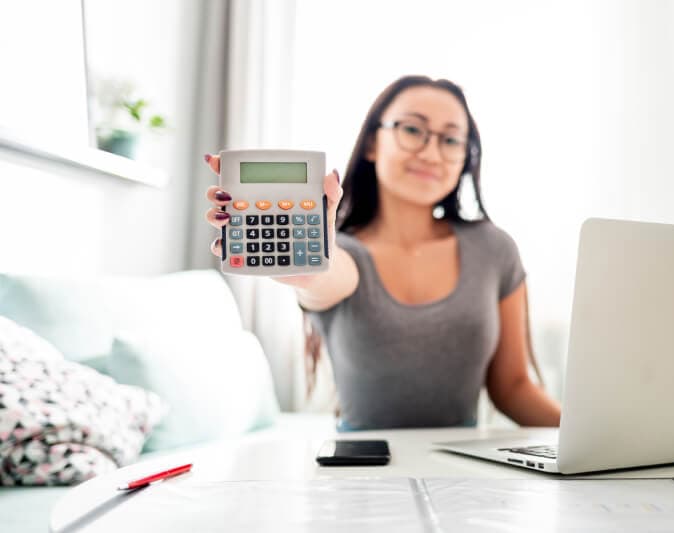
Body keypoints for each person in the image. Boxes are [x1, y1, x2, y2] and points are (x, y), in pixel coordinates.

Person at [204, 75, 561, 430]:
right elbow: (329, 275)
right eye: (411, 130)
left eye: (451, 140)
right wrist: (310, 269)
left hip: (462, 470)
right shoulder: (341, 250)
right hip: (360, 471)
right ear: (373, 143)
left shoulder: (494, 249)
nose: (431, 153)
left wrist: (598, 445)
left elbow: (513, 388)